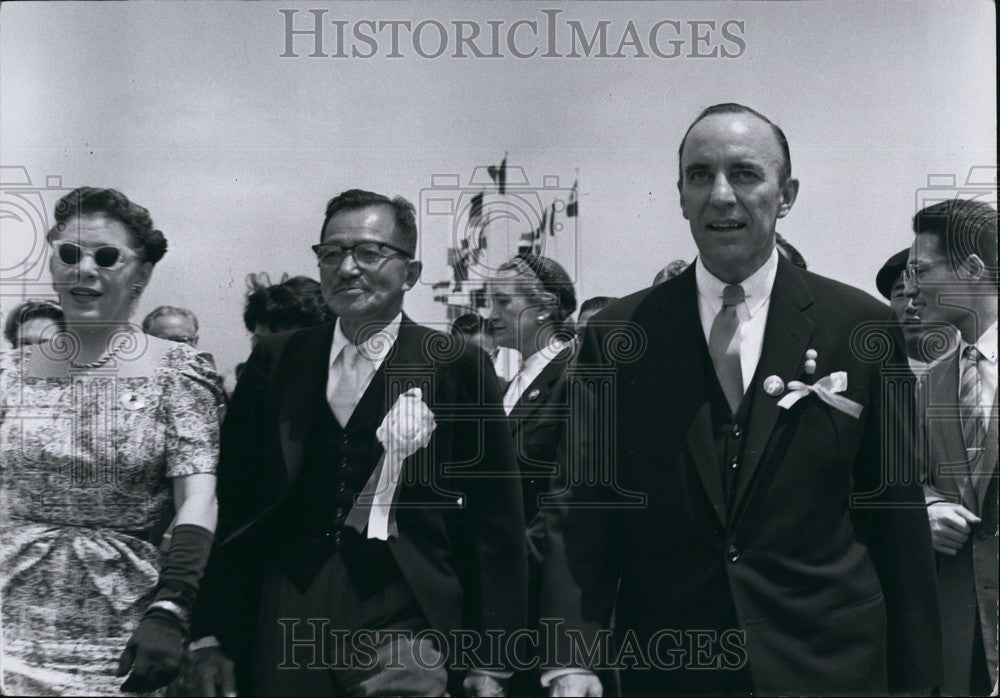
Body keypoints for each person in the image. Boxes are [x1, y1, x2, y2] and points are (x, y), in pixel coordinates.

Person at [540, 103, 940, 696]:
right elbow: (583, 507)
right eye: (700, 175)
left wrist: (918, 679)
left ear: (786, 194)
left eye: (745, 174)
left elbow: (896, 513)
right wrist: (571, 655)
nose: (721, 195)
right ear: (679, 194)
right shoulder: (619, 336)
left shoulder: (860, 326)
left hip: (829, 664)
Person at [186, 189, 526, 697]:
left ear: (410, 273)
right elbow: (235, 500)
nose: (347, 268)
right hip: (287, 604)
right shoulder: (276, 361)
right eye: (331, 253)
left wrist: (493, 657)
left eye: (370, 253)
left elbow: (495, 518)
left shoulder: (456, 365)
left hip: (404, 610)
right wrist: (209, 628)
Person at [0, 187, 223, 695]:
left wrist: (172, 606)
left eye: (106, 257)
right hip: (7, 620)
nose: (84, 270)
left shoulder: (178, 372)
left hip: (121, 629)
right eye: (69, 254)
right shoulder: (8, 373)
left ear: (141, 273)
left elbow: (199, 498)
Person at [902, 198, 998, 696]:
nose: (912, 287)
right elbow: (906, 479)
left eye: (922, 269)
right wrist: (928, 506)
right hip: (964, 635)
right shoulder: (929, 382)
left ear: (974, 269)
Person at [487, 254, 577, 693]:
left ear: (542, 307)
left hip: (537, 594)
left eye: (503, 302)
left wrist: (510, 567)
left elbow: (568, 493)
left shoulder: (573, 377)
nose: (491, 315)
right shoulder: (509, 386)